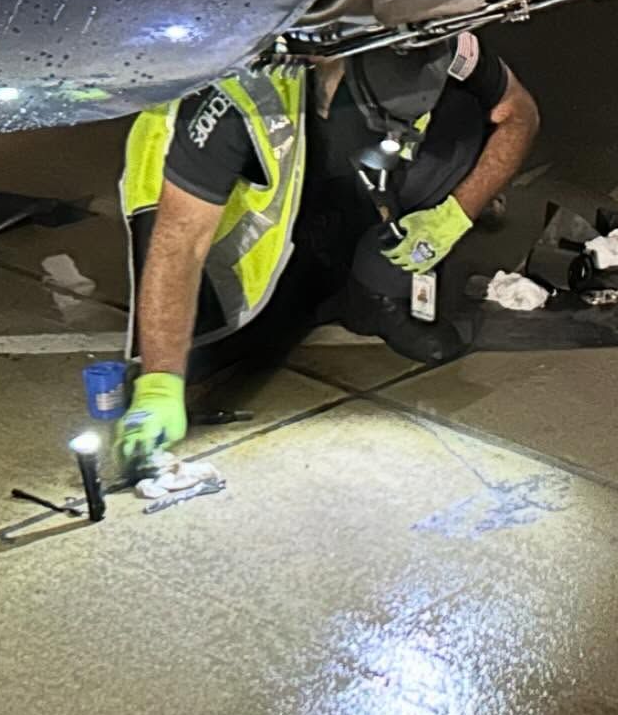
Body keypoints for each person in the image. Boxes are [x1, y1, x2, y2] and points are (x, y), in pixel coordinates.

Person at [115, 33, 539, 471]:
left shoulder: (440, 37)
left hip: (335, 163)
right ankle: (310, 282)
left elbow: (520, 113)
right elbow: (180, 243)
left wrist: (455, 214)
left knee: (465, 116)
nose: (395, 138)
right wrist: (159, 381)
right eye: (383, 121)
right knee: (230, 347)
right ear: (329, 68)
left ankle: (376, 288)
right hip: (246, 203)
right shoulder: (236, 100)